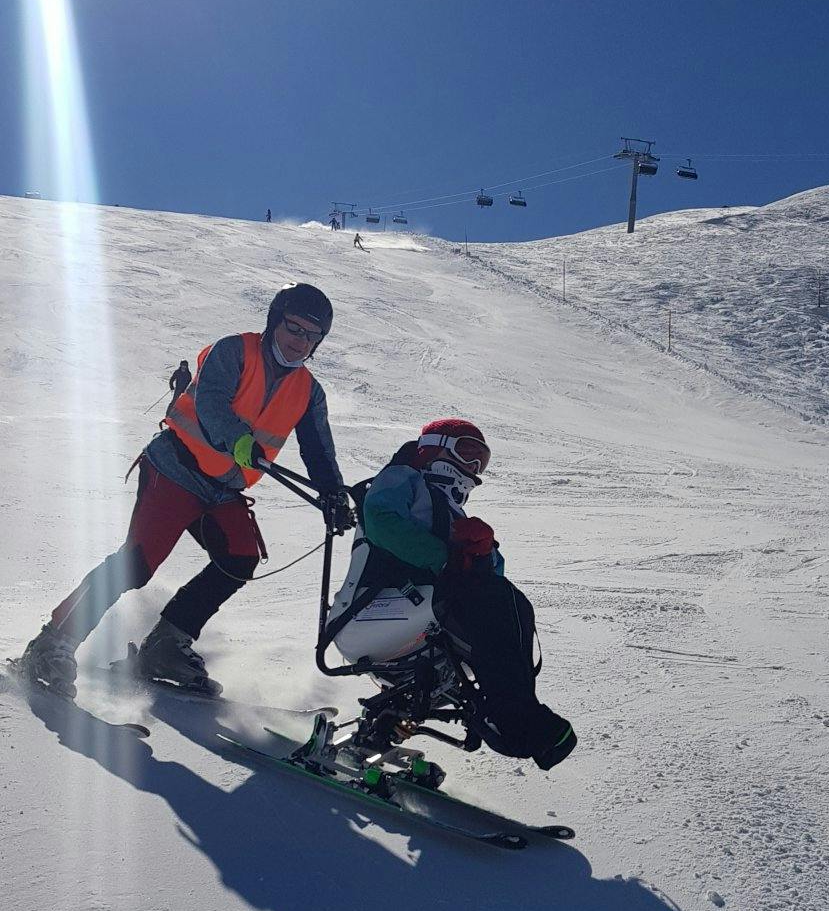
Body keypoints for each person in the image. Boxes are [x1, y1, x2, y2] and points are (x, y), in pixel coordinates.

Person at [19, 284, 352, 699]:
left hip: (222, 488)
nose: (299, 341)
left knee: (240, 558)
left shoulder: (308, 392)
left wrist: (334, 495)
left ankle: (165, 647)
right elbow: (212, 403)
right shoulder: (234, 351)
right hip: (175, 469)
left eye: (311, 336)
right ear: (274, 322)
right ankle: (53, 643)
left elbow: (319, 450)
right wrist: (238, 439)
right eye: (293, 328)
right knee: (136, 564)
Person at [327, 418, 576, 771]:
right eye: (467, 452)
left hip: (416, 615)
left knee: (512, 605)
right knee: (495, 600)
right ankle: (508, 718)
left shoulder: (452, 511)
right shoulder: (402, 478)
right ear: (434, 447)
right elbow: (381, 518)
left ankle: (512, 716)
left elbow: (490, 580)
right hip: (371, 611)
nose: (472, 467)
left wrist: (484, 552)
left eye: (481, 460)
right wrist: (446, 559)